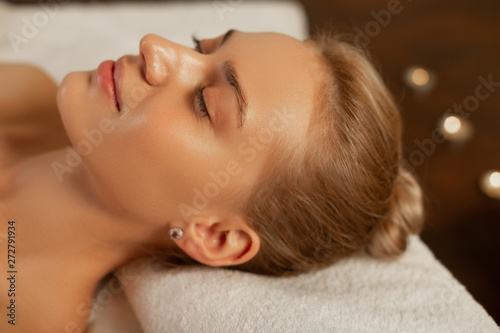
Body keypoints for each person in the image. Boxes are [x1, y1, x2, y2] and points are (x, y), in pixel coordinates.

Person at [0, 29, 423, 331]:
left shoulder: (20, 315)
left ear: (214, 236)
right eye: (199, 47)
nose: (154, 46)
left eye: (204, 102)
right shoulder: (23, 88)